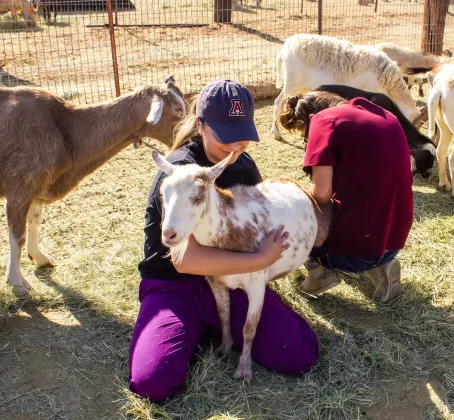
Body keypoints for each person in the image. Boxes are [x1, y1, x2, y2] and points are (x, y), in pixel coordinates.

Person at [128, 80, 318, 403]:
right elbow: (185, 260)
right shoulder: (177, 173)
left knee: (301, 353)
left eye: (241, 131)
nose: (235, 144)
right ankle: (194, 327)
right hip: (175, 285)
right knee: (152, 383)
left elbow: (262, 223)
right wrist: (261, 260)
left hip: (233, 281)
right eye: (224, 133)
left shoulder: (242, 168)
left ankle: (215, 327)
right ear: (200, 125)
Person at [277, 90, 414, 302]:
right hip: (394, 242)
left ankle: (320, 273)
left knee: (297, 210)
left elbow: (321, 194)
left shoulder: (323, 121)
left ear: (311, 119)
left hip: (355, 253)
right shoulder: (386, 116)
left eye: (306, 136)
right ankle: (380, 268)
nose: (307, 143)